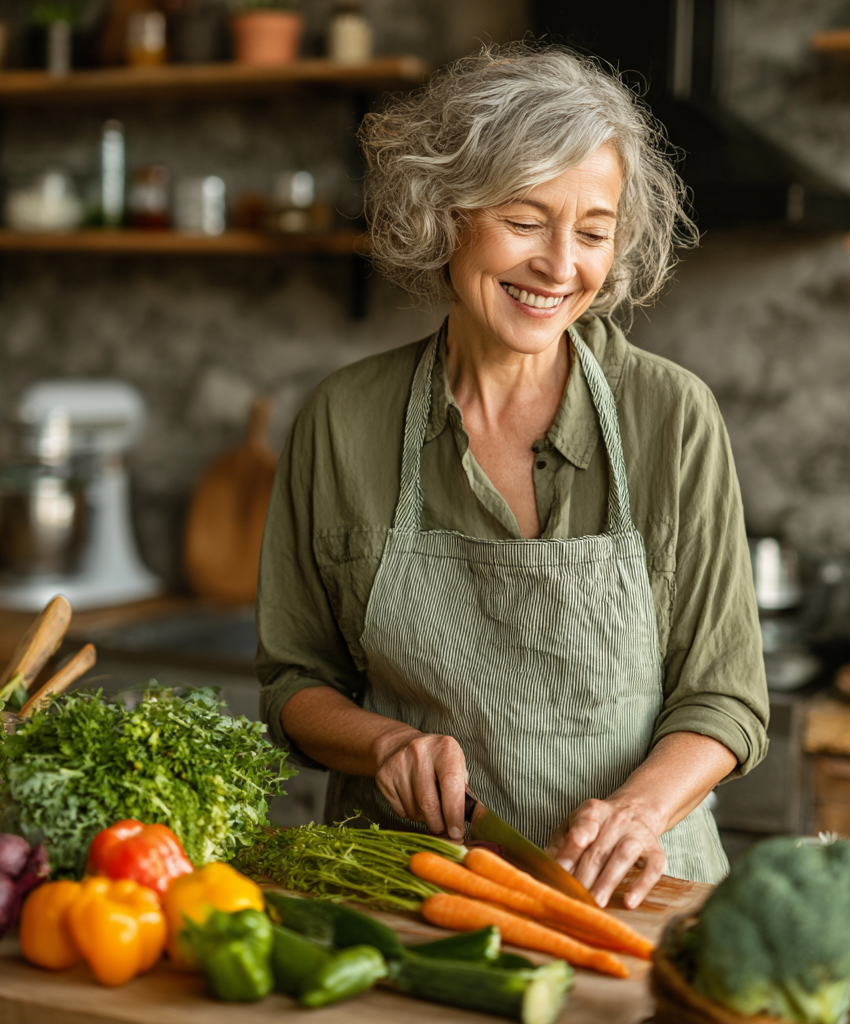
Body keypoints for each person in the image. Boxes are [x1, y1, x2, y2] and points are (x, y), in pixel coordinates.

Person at [256, 43, 768, 908]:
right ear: (446, 213)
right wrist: (384, 744)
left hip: (637, 899)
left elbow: (724, 698)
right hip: (410, 896)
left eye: (595, 232)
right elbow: (292, 682)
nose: (561, 265)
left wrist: (640, 813)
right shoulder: (343, 421)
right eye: (526, 221)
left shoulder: (672, 417)